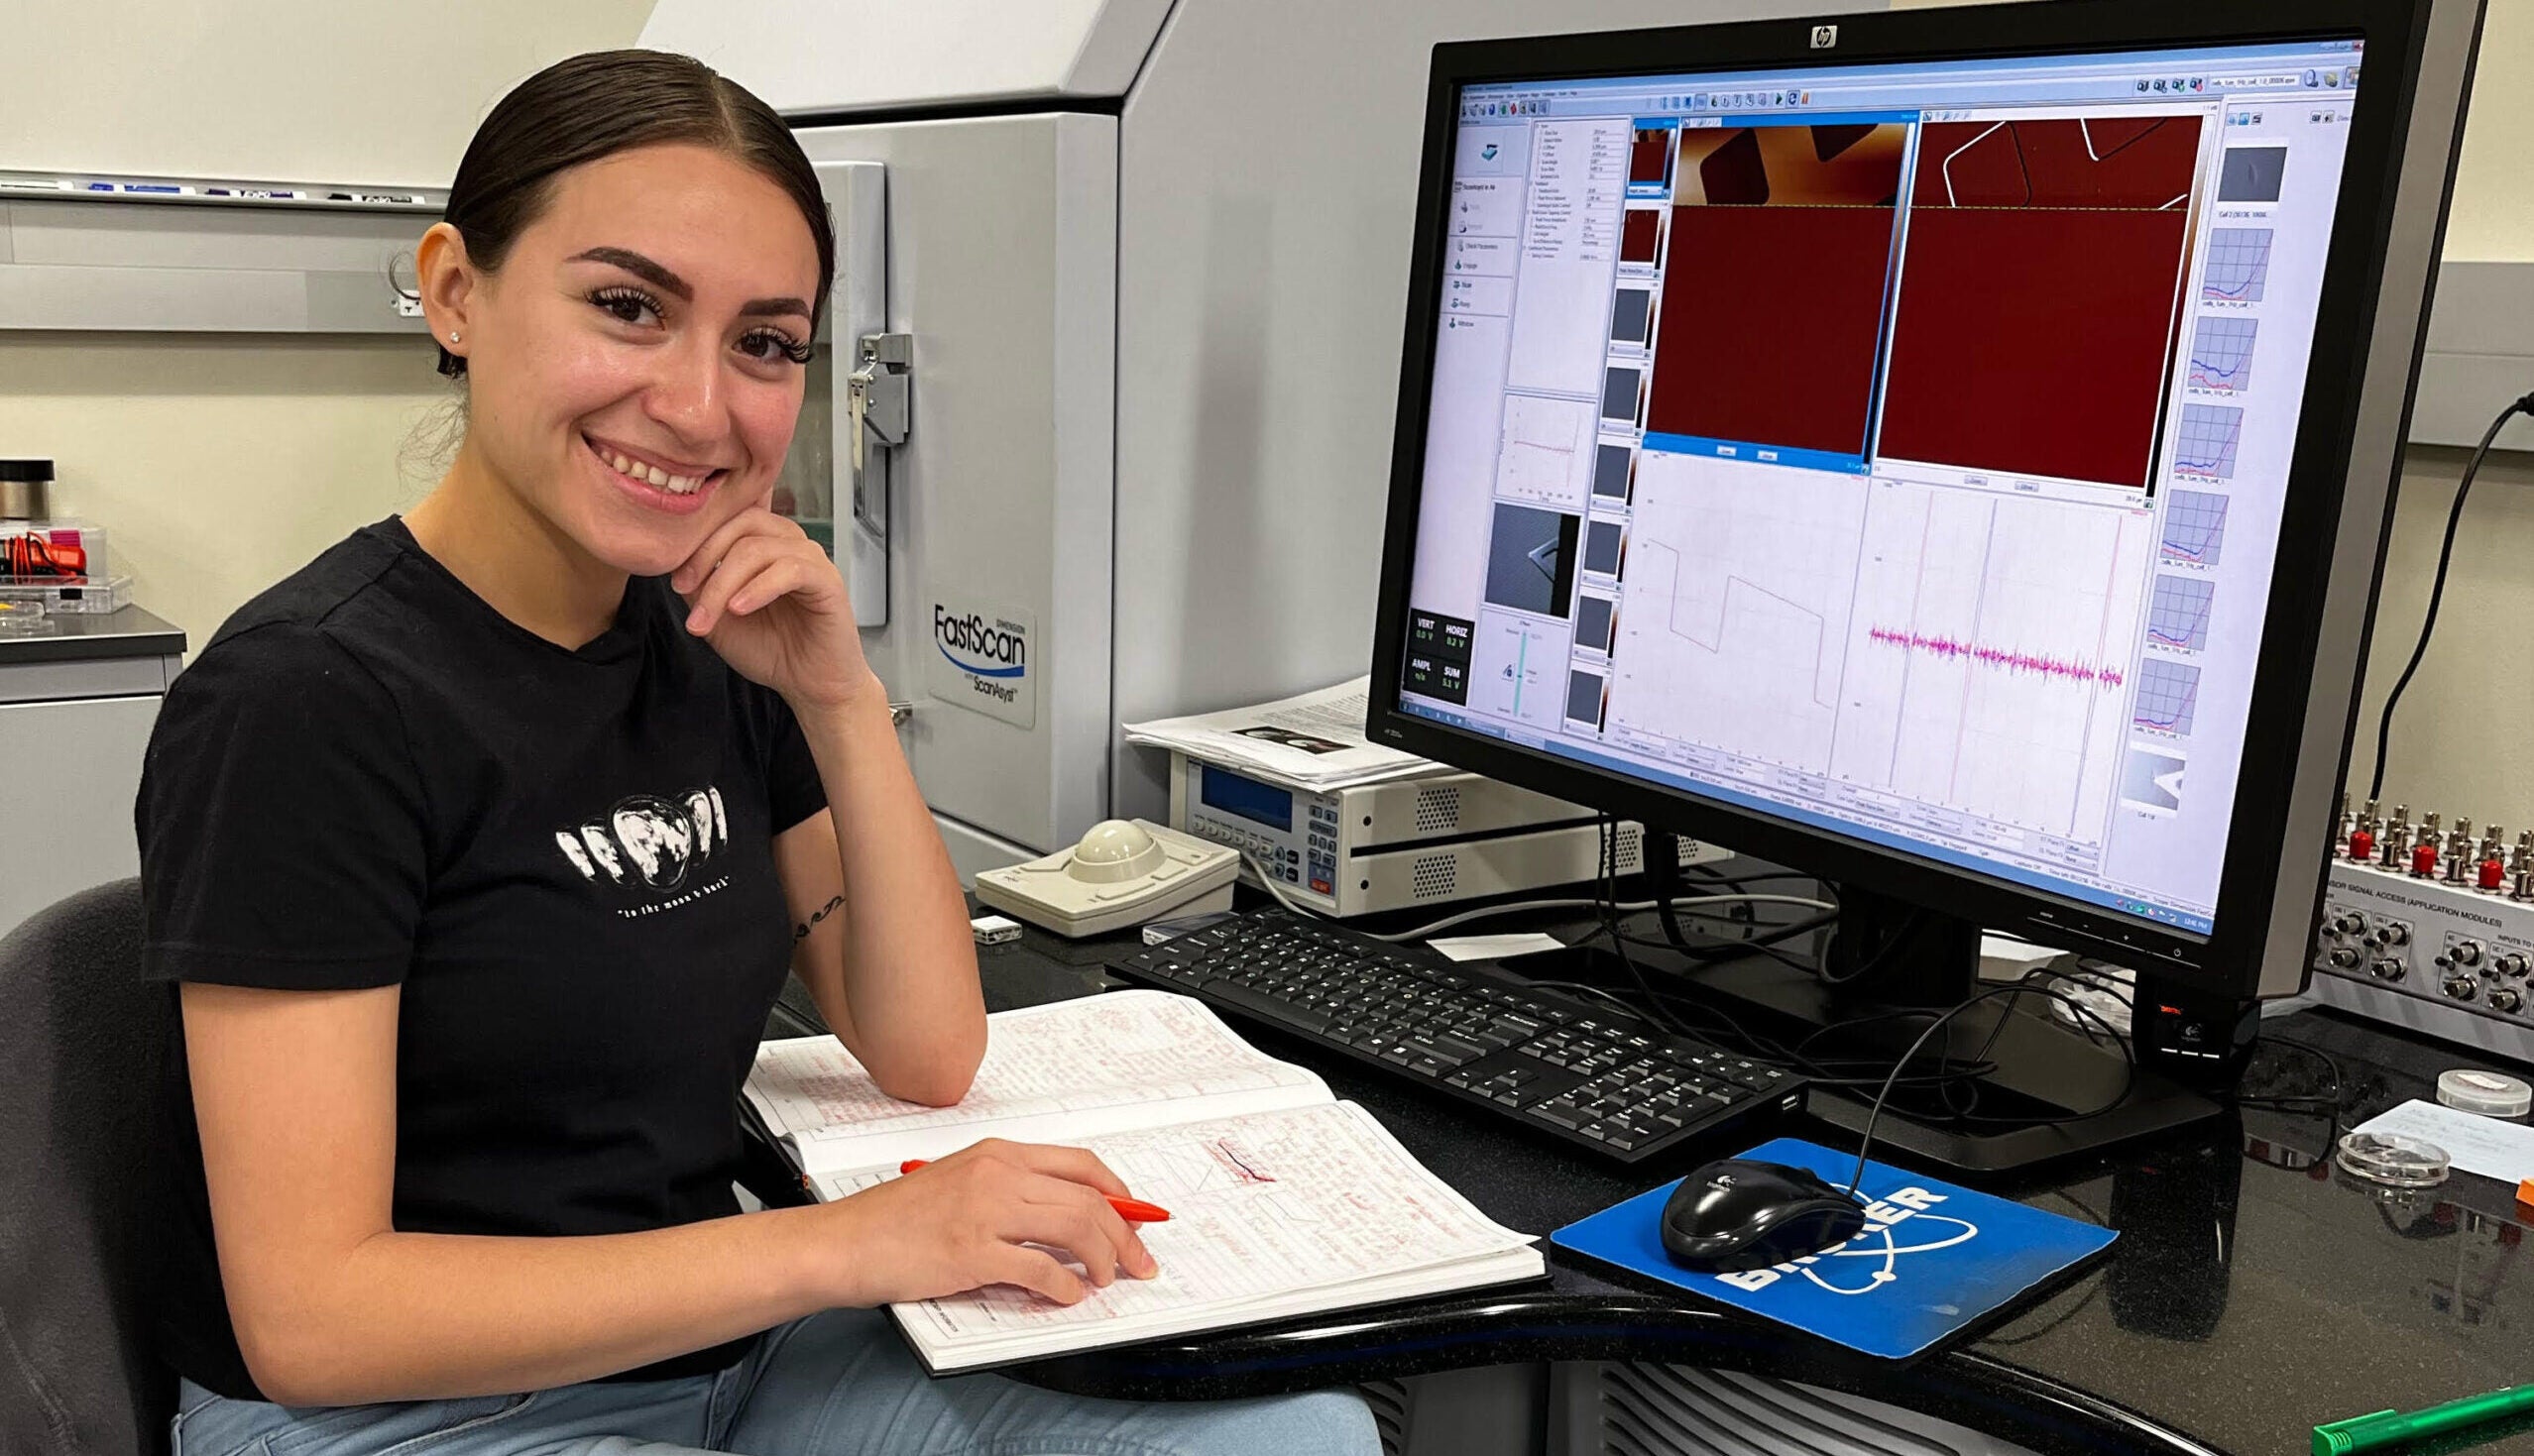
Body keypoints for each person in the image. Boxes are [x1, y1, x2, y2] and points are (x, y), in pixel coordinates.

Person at [138, 49, 1379, 1456]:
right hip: (407, 1417)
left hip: (710, 1349)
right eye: (626, 307)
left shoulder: (704, 647)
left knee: (1291, 1436)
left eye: (766, 343)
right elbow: (318, 1315)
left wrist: (840, 695)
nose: (700, 404)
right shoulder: (309, 699)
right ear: (455, 290)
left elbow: (922, 1045)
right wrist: (852, 1247)